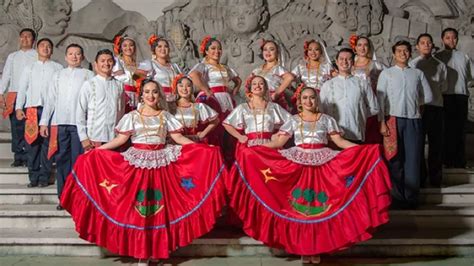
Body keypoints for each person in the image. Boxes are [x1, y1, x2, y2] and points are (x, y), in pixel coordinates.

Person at [60, 79, 226, 264]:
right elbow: (120, 141)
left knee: (160, 210)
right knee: (139, 211)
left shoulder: (165, 116)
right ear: (141, 95)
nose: (151, 95)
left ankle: (157, 251)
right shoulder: (132, 116)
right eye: (147, 92)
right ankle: (141, 253)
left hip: (162, 165)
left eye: (155, 92)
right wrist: (97, 151)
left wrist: (202, 149)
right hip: (137, 166)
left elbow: (178, 138)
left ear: (159, 95)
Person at [226, 86, 391, 264]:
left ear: (316, 100)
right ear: (299, 102)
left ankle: (318, 247)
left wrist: (364, 150)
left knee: (320, 206)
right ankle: (304, 247)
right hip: (298, 167)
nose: (308, 101)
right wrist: (254, 149)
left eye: (312, 98)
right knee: (300, 208)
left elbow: (340, 141)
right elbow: (278, 142)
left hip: (323, 167)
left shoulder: (327, 119)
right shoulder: (294, 120)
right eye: (304, 98)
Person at [377, 40, 433, 209]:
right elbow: (380, 100)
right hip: (392, 120)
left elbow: (428, 96)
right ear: (393, 54)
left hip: (413, 120)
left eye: (406, 51)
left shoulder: (417, 73)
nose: (402, 53)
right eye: (399, 51)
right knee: (394, 159)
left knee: (413, 159)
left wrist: (416, 104)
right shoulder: (386, 74)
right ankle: (397, 197)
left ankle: (411, 198)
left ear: (410, 53)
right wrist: (382, 122)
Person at [39, 43, 94, 209]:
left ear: (82, 57)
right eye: (71, 54)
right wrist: (44, 122)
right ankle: (63, 197)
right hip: (61, 123)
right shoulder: (58, 75)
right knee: (62, 160)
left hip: (80, 126)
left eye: (78, 54)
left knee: (78, 162)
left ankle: (77, 198)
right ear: (65, 56)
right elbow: (50, 101)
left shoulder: (88, 75)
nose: (74, 57)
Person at [15, 38, 63, 188]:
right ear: (37, 48)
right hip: (32, 110)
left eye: (49, 46)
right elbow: (22, 89)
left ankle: (44, 177)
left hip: (51, 110)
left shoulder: (58, 68)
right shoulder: (29, 68)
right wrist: (18, 108)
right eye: (42, 46)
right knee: (32, 144)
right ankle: (33, 176)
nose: (46, 48)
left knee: (47, 144)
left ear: (52, 50)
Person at [189, 36, 241, 161]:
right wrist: (206, 90)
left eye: (219, 49)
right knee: (213, 128)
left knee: (227, 129)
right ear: (206, 51)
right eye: (213, 48)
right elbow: (193, 75)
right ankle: (213, 160)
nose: (217, 51)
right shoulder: (203, 66)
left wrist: (235, 90)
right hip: (211, 99)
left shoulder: (225, 67)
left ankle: (228, 159)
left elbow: (238, 80)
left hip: (227, 100)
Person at [409, 33, 448, 187]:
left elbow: (443, 87)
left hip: (436, 108)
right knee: (418, 144)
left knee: (436, 144)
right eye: (423, 43)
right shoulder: (412, 65)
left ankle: (436, 178)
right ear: (417, 46)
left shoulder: (441, 65)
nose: (426, 45)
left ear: (433, 46)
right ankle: (421, 177)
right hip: (418, 109)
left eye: (429, 43)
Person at [319, 48, 379, 143]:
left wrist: (359, 114)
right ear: (337, 62)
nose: (345, 62)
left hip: (356, 133)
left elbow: (374, 107)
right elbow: (321, 109)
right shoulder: (327, 85)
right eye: (341, 59)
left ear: (353, 62)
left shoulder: (362, 83)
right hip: (334, 136)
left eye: (348, 59)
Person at [435, 28, 473, 169]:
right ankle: (445, 161)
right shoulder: (437, 57)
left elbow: (471, 76)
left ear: (457, 39)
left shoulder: (464, 57)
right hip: (444, 97)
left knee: (460, 129)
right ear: (442, 39)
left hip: (461, 96)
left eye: (454, 37)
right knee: (445, 130)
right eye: (448, 37)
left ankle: (459, 162)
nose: (451, 40)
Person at [0, 28, 37, 167]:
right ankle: (18, 156)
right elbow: (6, 75)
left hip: (30, 95)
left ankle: (30, 156)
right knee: (16, 127)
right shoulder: (13, 56)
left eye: (28, 37)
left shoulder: (37, 55)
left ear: (33, 40)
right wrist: (0, 93)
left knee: (30, 125)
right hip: (14, 94)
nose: (25, 39)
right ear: (19, 39)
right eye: (23, 36)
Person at [76, 49, 125, 152]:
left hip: (113, 138)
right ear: (96, 64)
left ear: (114, 63)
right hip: (93, 137)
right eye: (102, 61)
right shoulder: (89, 84)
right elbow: (80, 112)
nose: (106, 64)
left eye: (109, 61)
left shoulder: (119, 85)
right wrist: (83, 137)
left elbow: (121, 112)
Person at [223, 74, 291, 148]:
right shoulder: (243, 107)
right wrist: (240, 137)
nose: (257, 86)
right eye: (254, 84)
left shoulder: (273, 106)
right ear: (250, 89)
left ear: (265, 88)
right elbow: (226, 123)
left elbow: (291, 120)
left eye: (261, 83)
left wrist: (278, 134)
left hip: (269, 144)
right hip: (250, 145)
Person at [351, 35, 386, 144]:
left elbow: (390, 77)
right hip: (353, 103)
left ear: (369, 47)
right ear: (355, 48)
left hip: (370, 104)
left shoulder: (376, 65)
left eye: (365, 45)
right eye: (359, 45)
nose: (362, 48)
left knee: (370, 135)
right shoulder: (349, 64)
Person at [171, 74, 219, 142]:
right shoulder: (171, 106)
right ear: (176, 88)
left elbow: (216, 120)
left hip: (194, 141)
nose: (184, 88)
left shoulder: (199, 107)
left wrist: (203, 133)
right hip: (174, 142)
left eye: (188, 86)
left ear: (192, 88)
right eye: (181, 86)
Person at [137, 35, 182, 105]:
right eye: (159, 46)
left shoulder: (174, 66)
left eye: (166, 46)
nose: (163, 49)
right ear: (154, 50)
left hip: (175, 101)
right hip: (158, 101)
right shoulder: (149, 63)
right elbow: (136, 77)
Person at [252, 40, 294, 110]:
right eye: (265, 49)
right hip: (258, 101)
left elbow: (290, 77)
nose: (268, 52)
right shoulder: (257, 70)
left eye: (271, 49)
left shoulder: (278, 68)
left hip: (273, 102)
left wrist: (276, 93)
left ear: (277, 52)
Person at [112, 34, 140, 113]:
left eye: (131, 45)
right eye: (125, 45)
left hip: (137, 98)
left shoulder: (139, 64)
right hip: (124, 97)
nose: (128, 48)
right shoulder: (117, 61)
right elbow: (115, 78)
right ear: (121, 48)